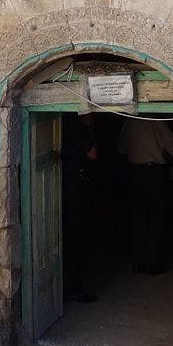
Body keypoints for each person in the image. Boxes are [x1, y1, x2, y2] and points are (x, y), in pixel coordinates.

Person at [117, 116, 173, 275]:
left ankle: (139, 262)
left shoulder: (129, 121)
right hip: (153, 173)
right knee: (156, 218)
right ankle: (152, 262)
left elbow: (120, 148)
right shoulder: (157, 121)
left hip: (134, 173)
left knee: (137, 217)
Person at [61, 113, 99, 303]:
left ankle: (67, 285)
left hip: (65, 186)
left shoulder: (66, 126)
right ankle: (72, 287)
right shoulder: (77, 129)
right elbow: (93, 153)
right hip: (71, 189)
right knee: (73, 236)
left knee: (68, 235)